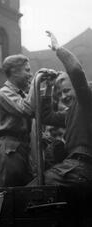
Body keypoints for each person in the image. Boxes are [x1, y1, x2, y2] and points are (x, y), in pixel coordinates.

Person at [0, 54, 63, 187]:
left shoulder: (23, 95)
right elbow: (27, 109)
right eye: (27, 70)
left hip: (24, 145)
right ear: (14, 71)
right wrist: (37, 79)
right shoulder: (3, 93)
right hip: (10, 147)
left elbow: (41, 114)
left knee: (26, 187)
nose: (30, 75)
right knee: (10, 189)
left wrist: (48, 87)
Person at [33, 32, 92, 187]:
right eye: (61, 93)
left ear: (78, 88)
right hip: (77, 164)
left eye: (66, 90)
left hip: (81, 164)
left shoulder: (86, 99)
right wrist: (49, 87)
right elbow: (47, 116)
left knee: (31, 191)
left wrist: (58, 49)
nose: (64, 96)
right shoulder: (74, 111)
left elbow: (76, 71)